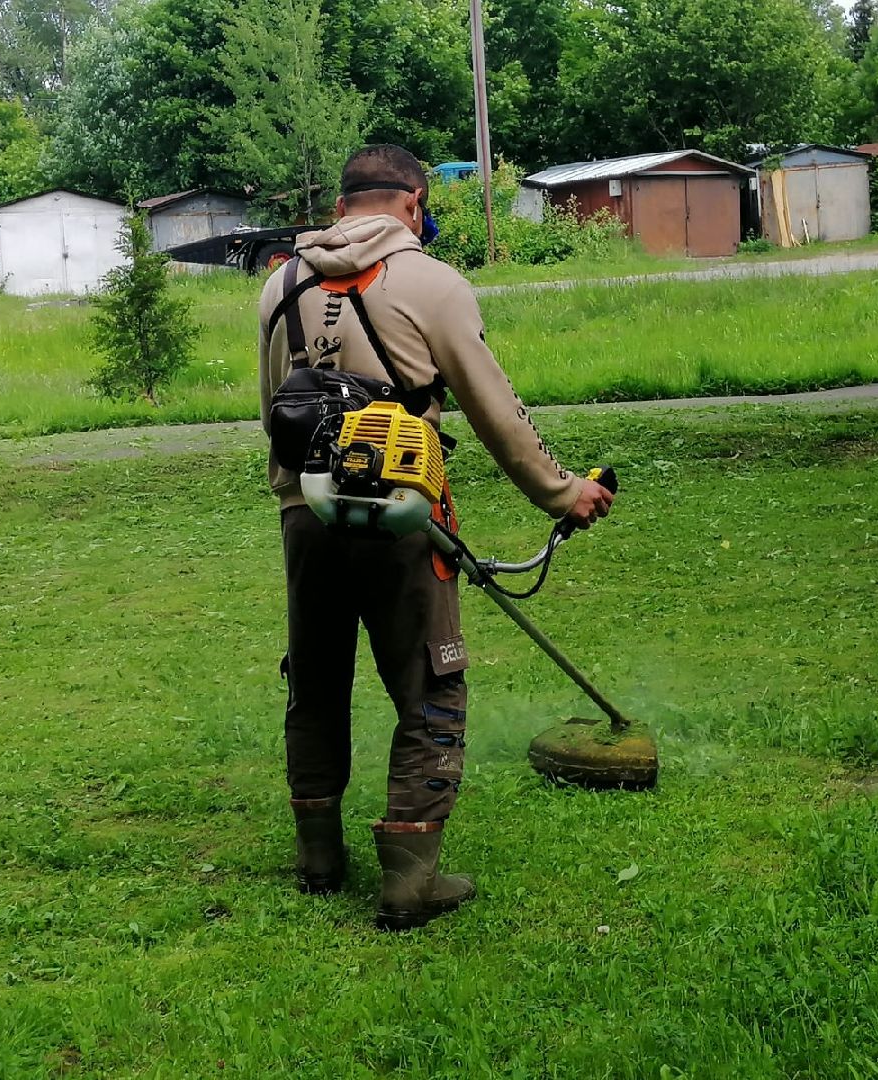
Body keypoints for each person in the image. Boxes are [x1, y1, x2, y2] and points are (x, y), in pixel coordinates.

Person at [258, 145, 613, 931]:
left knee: (314, 680)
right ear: (415, 202)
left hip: (305, 517)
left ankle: (318, 857)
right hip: (402, 516)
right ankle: (410, 880)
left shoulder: (278, 282)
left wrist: (297, 504)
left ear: (345, 201)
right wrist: (564, 492)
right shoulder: (432, 282)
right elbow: (495, 409)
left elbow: (272, 413)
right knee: (429, 686)